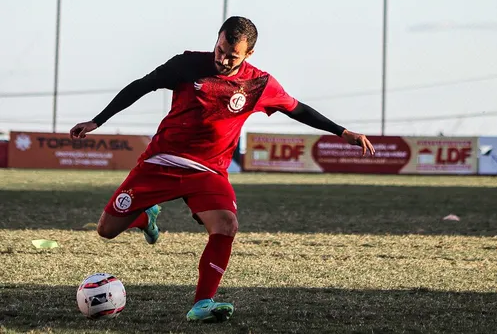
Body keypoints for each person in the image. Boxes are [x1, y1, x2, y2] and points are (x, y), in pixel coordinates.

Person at [70, 16, 375, 323]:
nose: (223, 58)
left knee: (226, 225)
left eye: (232, 55)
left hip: (209, 173)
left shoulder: (259, 83)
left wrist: (342, 131)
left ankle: (202, 303)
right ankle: (143, 216)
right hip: (161, 162)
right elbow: (142, 85)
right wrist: (98, 120)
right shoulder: (187, 65)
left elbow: (297, 109)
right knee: (106, 230)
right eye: (220, 49)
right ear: (216, 40)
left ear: (249, 55)